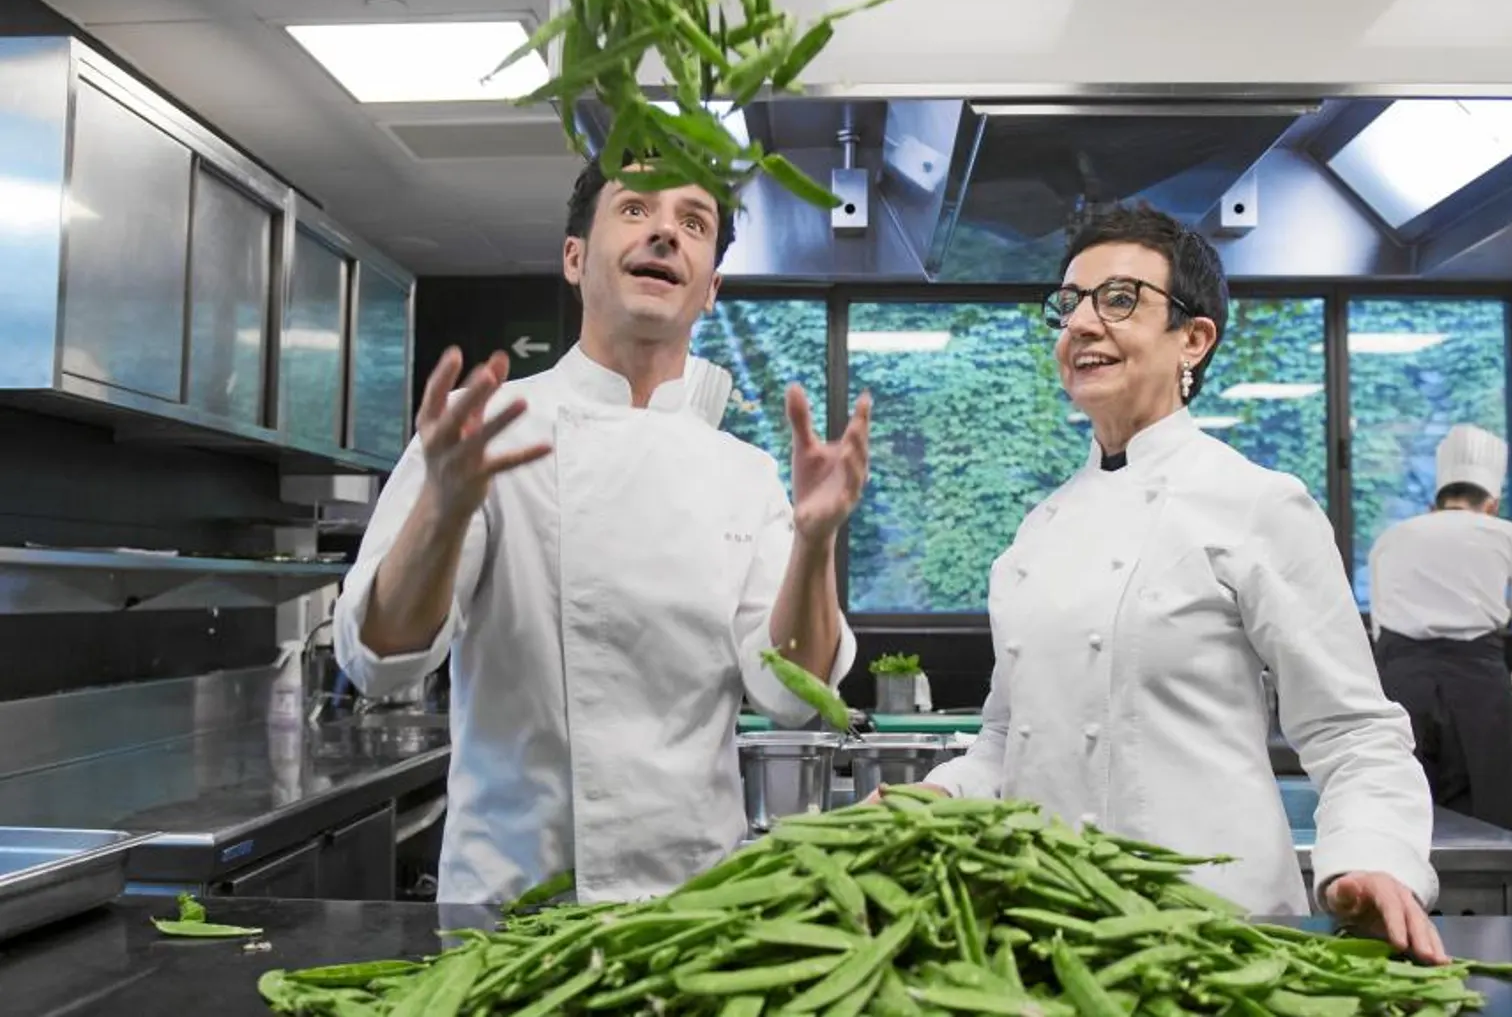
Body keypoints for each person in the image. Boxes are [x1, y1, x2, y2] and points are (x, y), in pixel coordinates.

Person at [333, 155, 872, 905]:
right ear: (574, 257)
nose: (664, 232)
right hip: (516, 902)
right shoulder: (485, 430)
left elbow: (793, 693)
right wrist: (442, 512)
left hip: (693, 908)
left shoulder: (744, 471)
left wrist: (816, 544)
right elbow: (378, 663)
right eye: (635, 208)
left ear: (711, 287)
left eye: (693, 221)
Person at [916, 204, 1446, 962]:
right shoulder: (1040, 528)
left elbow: (1352, 731)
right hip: (1049, 936)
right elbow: (1008, 742)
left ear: (1193, 338)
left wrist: (1371, 857)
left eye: (1121, 299)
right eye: (1069, 304)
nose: (1083, 324)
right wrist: (934, 795)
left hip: (1220, 935)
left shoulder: (1257, 503)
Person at [1366, 425, 1512, 832]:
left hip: (1399, 689)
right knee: (1486, 824)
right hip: (1478, 689)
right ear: (1491, 504)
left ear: (1433, 503)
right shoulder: (1509, 535)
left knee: (1401, 819)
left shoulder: (1391, 537)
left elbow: (1378, 630)